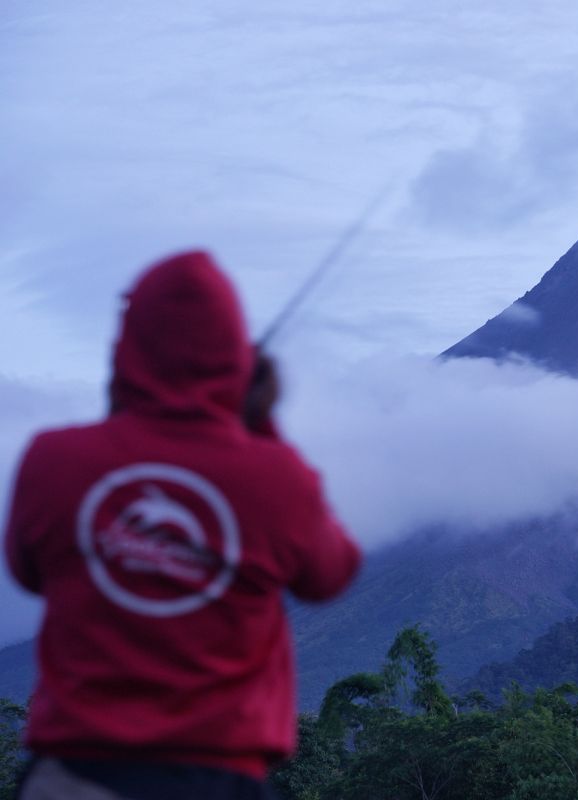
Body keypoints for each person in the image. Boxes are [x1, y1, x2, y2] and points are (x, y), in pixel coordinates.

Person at [4, 251, 362, 799]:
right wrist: (260, 425)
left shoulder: (52, 460)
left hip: (74, 776)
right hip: (222, 777)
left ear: (126, 348)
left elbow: (29, 571)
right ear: (236, 360)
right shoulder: (277, 477)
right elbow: (330, 574)